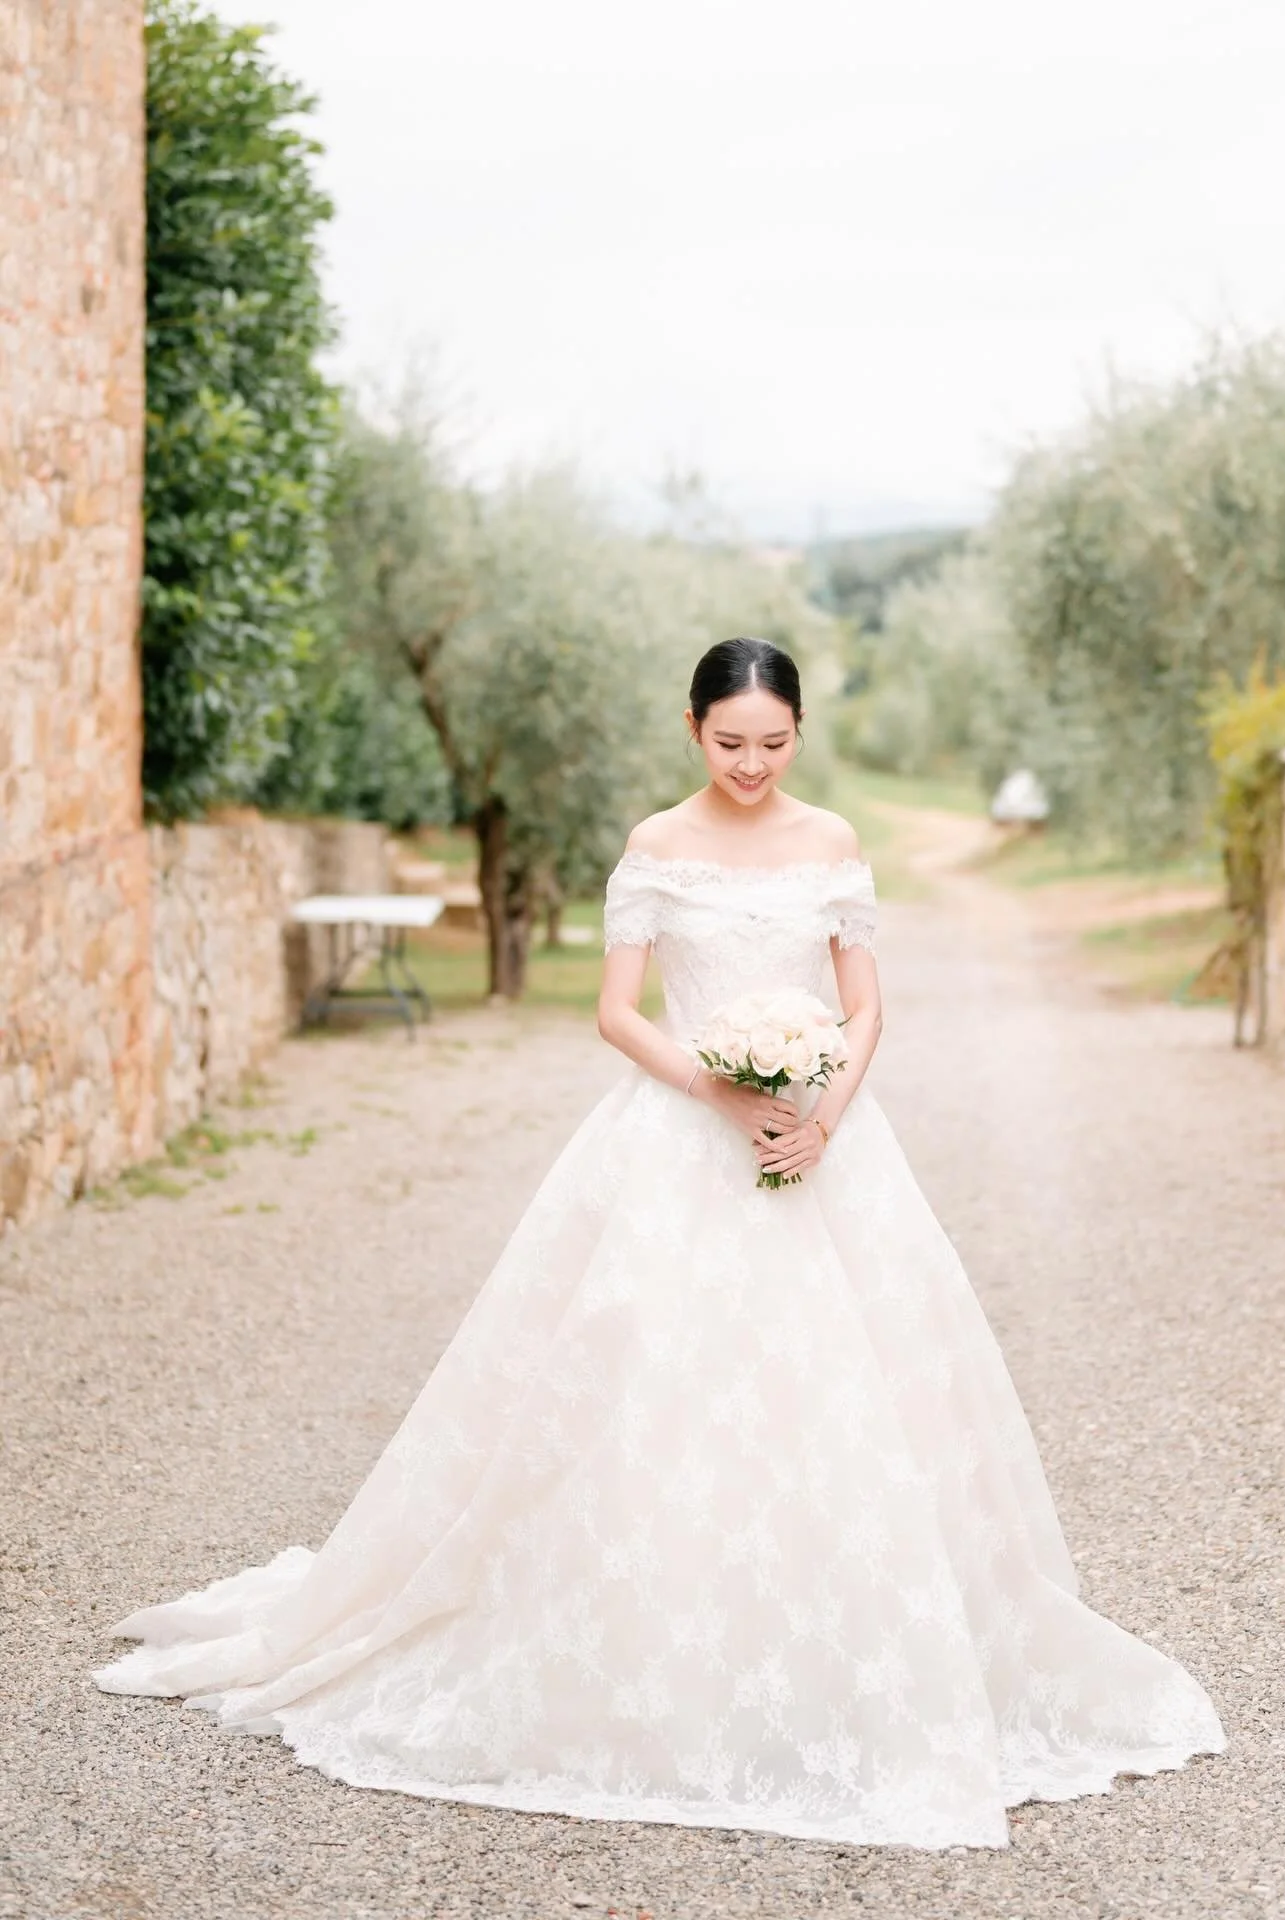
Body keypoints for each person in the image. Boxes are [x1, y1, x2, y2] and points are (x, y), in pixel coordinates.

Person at [93, 636, 1225, 1849]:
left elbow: (866, 1004)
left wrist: (822, 1112)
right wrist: (727, 1094)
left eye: (775, 743)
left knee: (845, 1400)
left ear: (800, 734)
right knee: (650, 1390)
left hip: (823, 1140)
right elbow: (615, 1012)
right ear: (693, 728)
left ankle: (832, 1650)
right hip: (677, 1137)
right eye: (731, 742)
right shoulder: (655, 845)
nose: (753, 764)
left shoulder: (833, 843)